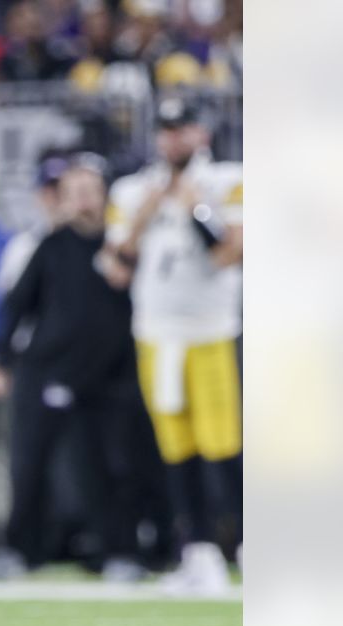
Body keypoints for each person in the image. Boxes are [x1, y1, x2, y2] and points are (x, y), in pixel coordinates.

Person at [101, 97, 243, 595]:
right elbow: (115, 267)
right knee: (177, 446)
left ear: (200, 133)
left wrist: (196, 211)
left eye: (182, 128)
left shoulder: (228, 180)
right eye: (166, 129)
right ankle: (200, 552)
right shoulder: (133, 189)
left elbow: (233, 253)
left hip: (211, 328)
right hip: (157, 332)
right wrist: (144, 217)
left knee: (224, 444)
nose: (173, 138)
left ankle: (247, 543)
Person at [0, 155, 160, 579]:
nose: (84, 200)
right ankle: (19, 552)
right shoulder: (50, 245)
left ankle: (118, 554)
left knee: (113, 468)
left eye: (90, 191)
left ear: (104, 195)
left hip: (107, 378)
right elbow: (16, 307)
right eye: (75, 192)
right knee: (29, 466)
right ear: (63, 199)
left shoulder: (122, 248)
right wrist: (1, 362)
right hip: (48, 372)